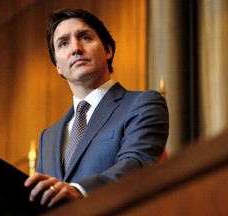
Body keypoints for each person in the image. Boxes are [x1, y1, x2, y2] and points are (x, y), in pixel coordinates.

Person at [24, 8, 169, 208]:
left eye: (85, 37)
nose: (75, 48)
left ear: (108, 50)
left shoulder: (143, 104)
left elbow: (137, 164)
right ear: (58, 65)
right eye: (64, 43)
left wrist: (80, 190)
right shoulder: (47, 138)